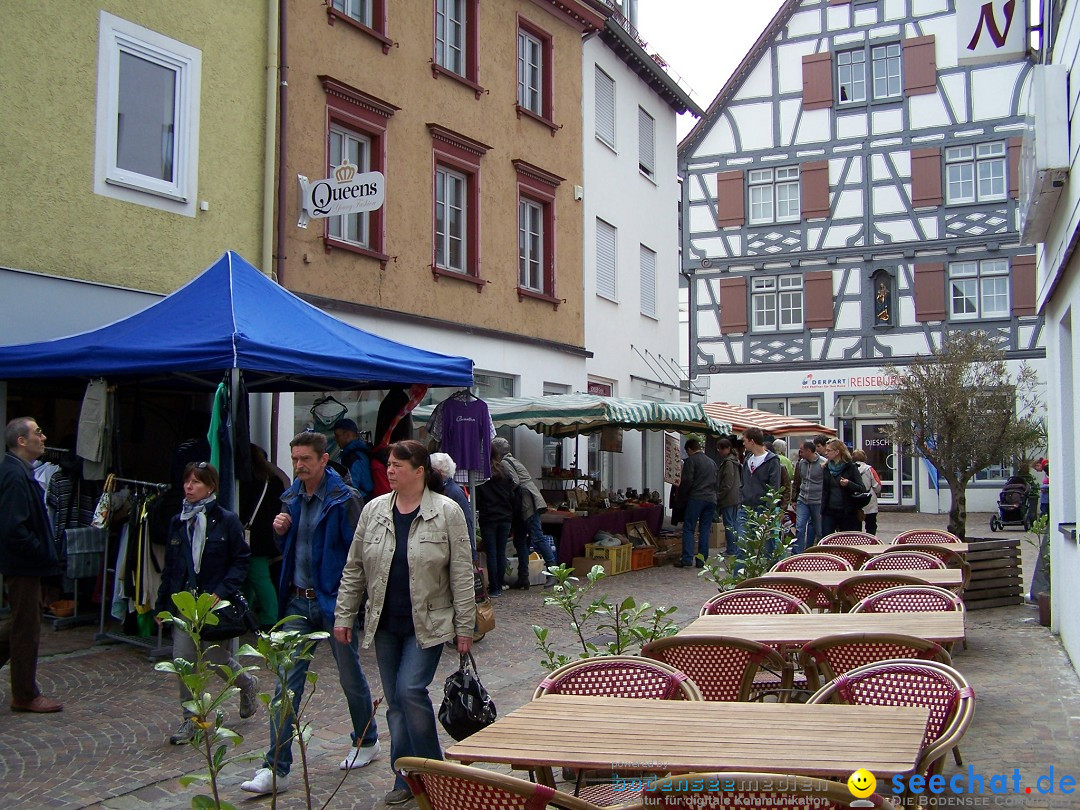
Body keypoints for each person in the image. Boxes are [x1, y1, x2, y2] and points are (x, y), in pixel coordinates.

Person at [334, 440, 475, 807]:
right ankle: (406, 775)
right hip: (384, 622)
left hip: (427, 622)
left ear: (419, 470)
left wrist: (465, 626)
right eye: (389, 464)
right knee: (396, 701)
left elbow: (461, 571)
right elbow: (355, 568)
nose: (390, 470)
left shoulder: (446, 512)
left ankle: (434, 772)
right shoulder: (374, 510)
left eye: (397, 464)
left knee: (411, 690)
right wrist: (344, 615)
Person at [241, 431, 379, 796]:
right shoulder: (291, 499)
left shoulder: (344, 499)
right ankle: (276, 769)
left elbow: (358, 555)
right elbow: (291, 549)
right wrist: (280, 532)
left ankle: (366, 741)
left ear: (323, 459)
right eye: (295, 459)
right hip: (297, 603)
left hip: (334, 603)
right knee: (287, 683)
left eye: (305, 459)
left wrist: (349, 608)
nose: (299, 466)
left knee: (349, 676)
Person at [155, 462, 260, 744]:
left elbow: (240, 561)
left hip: (212, 605)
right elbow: (171, 567)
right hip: (184, 605)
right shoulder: (178, 521)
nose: (189, 487)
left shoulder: (226, 520)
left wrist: (221, 591)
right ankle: (192, 720)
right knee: (184, 662)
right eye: (187, 481)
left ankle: (247, 683)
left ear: (210, 487)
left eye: (196, 482)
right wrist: (162, 606)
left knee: (216, 660)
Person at [0, 417, 63, 713]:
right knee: (26, 630)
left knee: (21, 624)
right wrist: (39, 553)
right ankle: (25, 694)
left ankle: (25, 692)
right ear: (22, 441)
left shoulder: (20, 472)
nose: (43, 436)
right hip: (24, 565)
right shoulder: (14, 475)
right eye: (37, 432)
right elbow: (14, 528)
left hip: (27, 564)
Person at [491, 437, 556, 572]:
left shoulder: (505, 463)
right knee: (519, 539)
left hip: (527, 503)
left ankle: (553, 571)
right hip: (525, 503)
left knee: (537, 538)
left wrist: (504, 495)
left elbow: (515, 482)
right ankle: (523, 575)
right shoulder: (512, 459)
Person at [240, 445, 287, 629]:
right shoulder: (272, 477)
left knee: (257, 576)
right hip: (268, 533)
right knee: (253, 576)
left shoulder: (251, 478)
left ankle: (269, 618)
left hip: (254, 535)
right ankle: (249, 614)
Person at [474, 447, 516, 596]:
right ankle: (500, 583)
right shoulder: (504, 472)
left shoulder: (481, 475)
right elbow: (512, 494)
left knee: (491, 553)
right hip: (505, 516)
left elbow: (477, 499)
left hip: (489, 517)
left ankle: (495, 587)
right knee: (500, 552)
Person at [675, 437, 718, 568]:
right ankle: (702, 560)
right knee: (704, 529)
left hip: (696, 498)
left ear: (689, 449)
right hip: (711, 499)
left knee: (689, 528)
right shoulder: (712, 462)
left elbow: (687, 481)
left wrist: (681, 499)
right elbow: (717, 482)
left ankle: (687, 558)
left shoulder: (691, 461)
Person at [430, 452, 476, 559]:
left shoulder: (453, 492)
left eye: (431, 470)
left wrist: (471, 554)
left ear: (439, 472)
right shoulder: (446, 489)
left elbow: (466, 522)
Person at [819, 439, 867, 536]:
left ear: (837, 452)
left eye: (829, 451)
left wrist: (848, 483)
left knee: (846, 540)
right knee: (826, 538)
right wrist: (821, 510)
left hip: (847, 511)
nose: (826, 453)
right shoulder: (826, 468)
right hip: (829, 510)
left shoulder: (851, 467)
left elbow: (862, 488)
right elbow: (824, 490)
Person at [793, 440, 825, 552]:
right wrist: (794, 498)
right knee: (800, 527)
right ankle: (797, 553)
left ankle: (820, 552)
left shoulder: (823, 463)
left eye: (802, 451)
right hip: (803, 499)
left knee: (819, 529)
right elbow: (798, 480)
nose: (800, 454)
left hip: (817, 501)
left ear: (808, 451)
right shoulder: (802, 463)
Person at [332, 418, 374, 500]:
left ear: (348, 435)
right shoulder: (362, 451)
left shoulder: (353, 457)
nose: (336, 440)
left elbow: (351, 484)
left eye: (338, 436)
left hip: (361, 500)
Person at [714, 438, 741, 557]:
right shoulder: (734, 460)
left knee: (729, 524)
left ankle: (731, 549)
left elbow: (727, 483)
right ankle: (734, 548)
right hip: (735, 497)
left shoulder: (729, 462)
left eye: (721, 448)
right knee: (733, 523)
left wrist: (719, 495)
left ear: (728, 448)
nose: (719, 451)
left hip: (729, 498)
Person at [851, 450, 882, 536]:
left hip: (855, 500)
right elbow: (877, 486)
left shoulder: (850, 468)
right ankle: (870, 541)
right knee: (871, 525)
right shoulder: (869, 469)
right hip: (869, 500)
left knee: (856, 526)